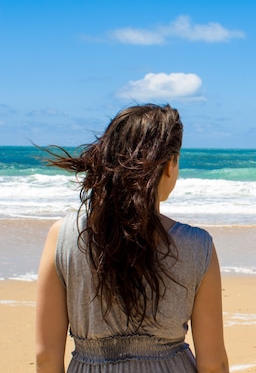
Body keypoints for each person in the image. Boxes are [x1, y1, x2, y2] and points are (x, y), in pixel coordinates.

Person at [35, 104, 229, 373]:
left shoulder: (63, 236)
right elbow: (213, 364)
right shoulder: (197, 246)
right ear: (169, 166)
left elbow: (46, 357)